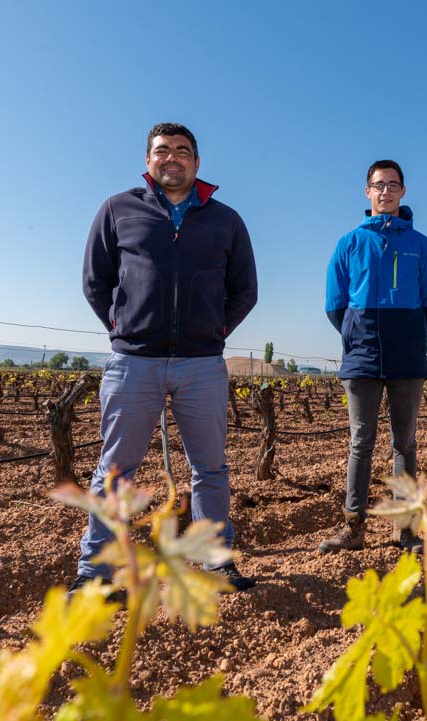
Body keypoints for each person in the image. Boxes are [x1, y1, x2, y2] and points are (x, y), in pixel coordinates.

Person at [76, 122, 258, 592]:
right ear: (149, 161)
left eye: (182, 151)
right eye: (162, 151)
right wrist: (123, 329)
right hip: (133, 363)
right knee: (115, 471)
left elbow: (245, 291)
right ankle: (96, 573)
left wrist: (214, 331)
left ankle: (215, 559)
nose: (172, 158)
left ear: (197, 163)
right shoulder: (118, 210)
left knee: (211, 467)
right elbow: (95, 282)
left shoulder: (226, 220)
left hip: (202, 365)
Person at [320, 160, 427, 554]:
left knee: (404, 444)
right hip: (361, 357)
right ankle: (353, 527)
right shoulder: (349, 243)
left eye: (393, 185)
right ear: (367, 192)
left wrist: (408, 336)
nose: (385, 191)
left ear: (403, 191)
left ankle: (404, 531)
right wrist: (358, 336)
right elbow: (335, 304)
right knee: (361, 441)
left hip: (407, 358)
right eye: (378, 185)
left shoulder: (421, 245)